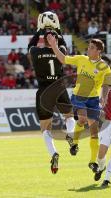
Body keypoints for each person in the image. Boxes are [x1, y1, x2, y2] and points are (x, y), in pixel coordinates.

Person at [47, 35, 111, 173]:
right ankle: (75, 142)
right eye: (88, 47)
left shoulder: (104, 67)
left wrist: (104, 97)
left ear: (98, 51)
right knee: (82, 119)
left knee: (94, 131)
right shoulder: (82, 59)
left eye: (92, 48)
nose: (88, 49)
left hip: (93, 100)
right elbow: (63, 59)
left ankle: (92, 161)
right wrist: (53, 45)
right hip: (78, 97)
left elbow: (106, 84)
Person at [28, 29, 75, 174]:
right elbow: (64, 45)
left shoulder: (36, 51)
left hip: (44, 91)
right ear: (55, 40)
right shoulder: (59, 49)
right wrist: (58, 31)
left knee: (45, 127)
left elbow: (30, 45)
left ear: (44, 40)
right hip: (59, 88)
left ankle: (53, 153)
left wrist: (39, 32)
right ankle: (71, 135)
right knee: (69, 116)